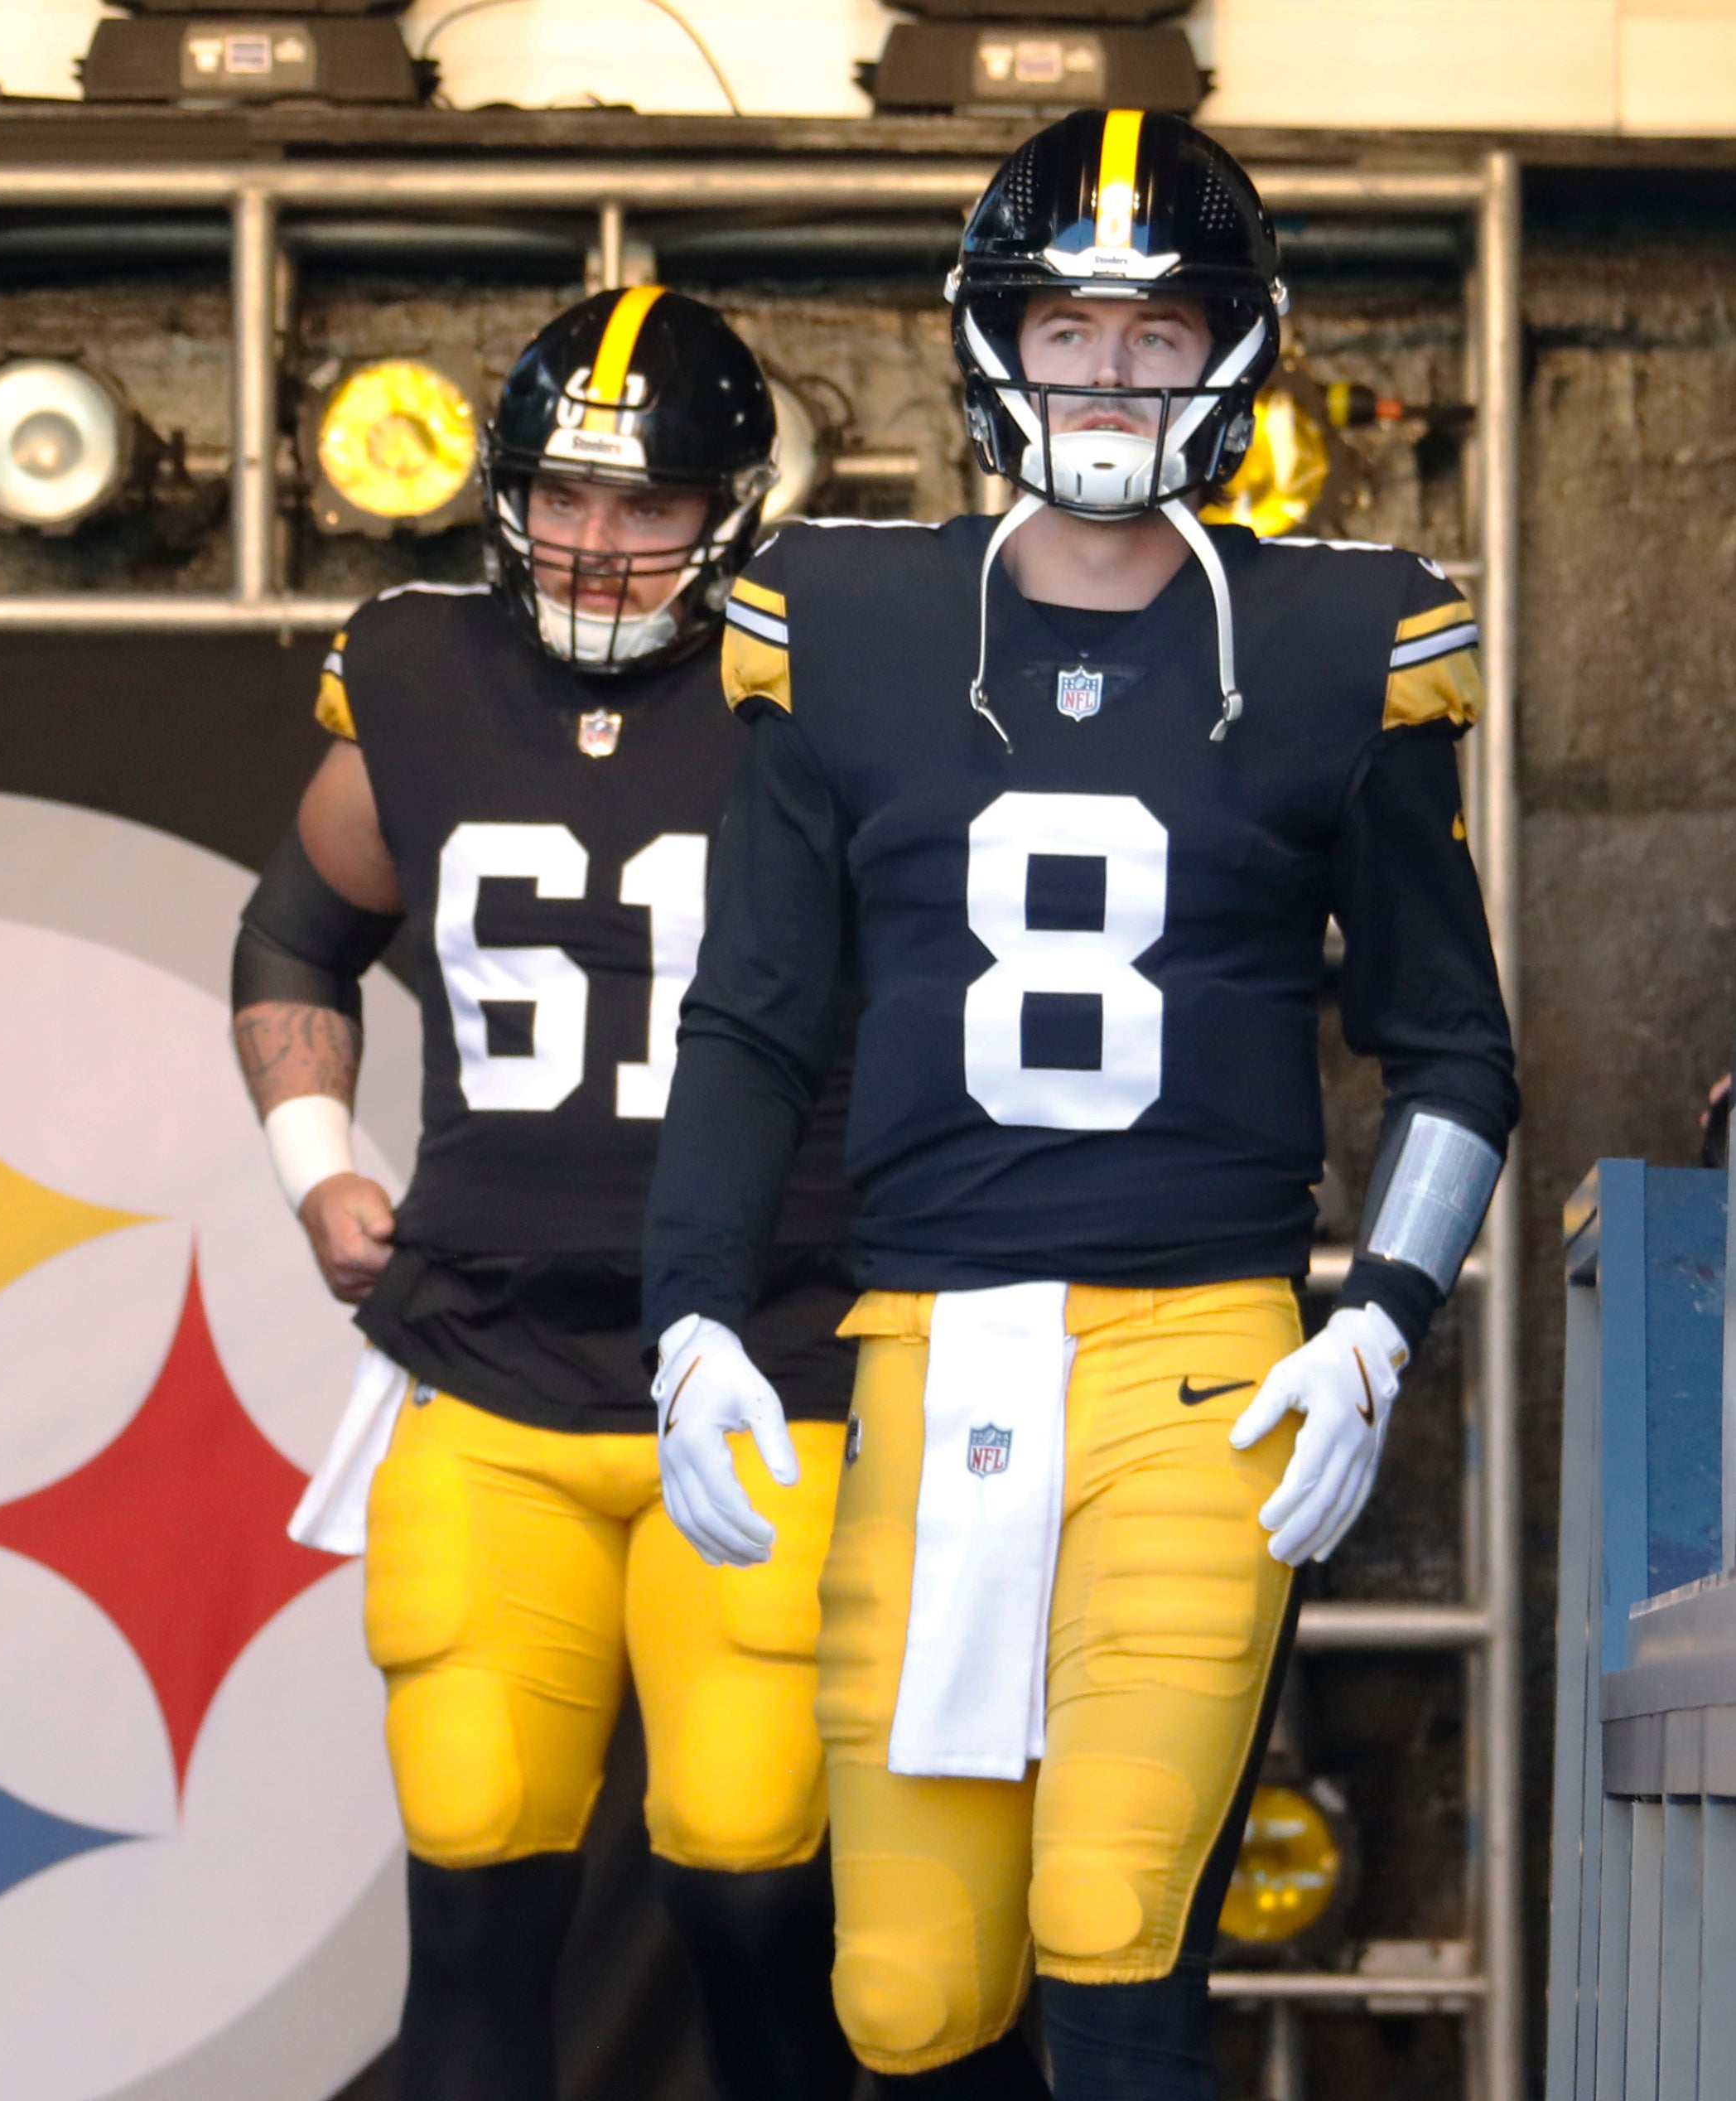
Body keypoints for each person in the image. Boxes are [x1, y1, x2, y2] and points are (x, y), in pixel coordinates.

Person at [640, 110, 1517, 2101]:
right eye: (1068, 328)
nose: (1107, 376)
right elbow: (752, 1022)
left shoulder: (1339, 635)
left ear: (1231, 348)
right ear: (995, 345)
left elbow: (1452, 1045)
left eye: (1156, 328)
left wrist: (1380, 1314)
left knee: (1114, 1936)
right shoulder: (844, 623)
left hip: (1206, 1362)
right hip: (929, 1353)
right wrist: (690, 1306)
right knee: (910, 1996)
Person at [232, 286, 861, 2101]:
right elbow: (300, 926)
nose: (593, 546)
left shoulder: (824, 676)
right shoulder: (420, 665)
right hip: (488, 1361)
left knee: (749, 1871)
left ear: (734, 506)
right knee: (479, 1847)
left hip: (768, 1361)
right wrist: (312, 1159)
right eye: (563, 497)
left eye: (646, 504)